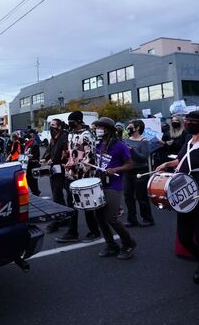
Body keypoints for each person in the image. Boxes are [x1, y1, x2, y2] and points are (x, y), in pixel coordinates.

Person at [156, 110, 199, 297]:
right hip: (185, 195)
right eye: (186, 120)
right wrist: (167, 165)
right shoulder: (188, 140)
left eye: (191, 121)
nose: (187, 123)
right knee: (185, 238)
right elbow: (182, 160)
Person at [91, 117, 137, 260]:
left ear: (108, 129)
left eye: (100, 127)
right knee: (99, 217)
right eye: (96, 127)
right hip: (99, 183)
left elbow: (130, 165)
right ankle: (111, 245)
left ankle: (129, 243)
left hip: (114, 185)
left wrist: (115, 169)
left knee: (111, 217)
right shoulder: (98, 144)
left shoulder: (119, 145)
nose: (97, 129)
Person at [56, 111, 101, 243]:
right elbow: (72, 153)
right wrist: (67, 160)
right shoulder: (71, 134)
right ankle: (72, 232)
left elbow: (90, 157)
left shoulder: (87, 135)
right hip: (71, 175)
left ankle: (94, 231)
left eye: (72, 121)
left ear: (78, 121)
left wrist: (76, 165)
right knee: (71, 205)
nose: (70, 124)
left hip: (85, 176)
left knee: (86, 204)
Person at [123, 119, 155, 227]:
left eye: (130, 126)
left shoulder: (144, 141)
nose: (128, 128)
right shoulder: (126, 139)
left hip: (140, 171)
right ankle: (131, 219)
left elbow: (144, 158)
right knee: (128, 196)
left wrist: (132, 151)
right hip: (128, 171)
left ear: (137, 128)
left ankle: (147, 218)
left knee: (141, 196)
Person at [41, 119, 69, 233]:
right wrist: (44, 158)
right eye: (50, 125)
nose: (51, 127)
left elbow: (61, 151)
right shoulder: (53, 137)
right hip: (55, 169)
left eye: (53, 125)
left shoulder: (65, 136)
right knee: (57, 195)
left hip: (64, 168)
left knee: (62, 194)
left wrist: (53, 159)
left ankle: (60, 219)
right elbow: (49, 150)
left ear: (59, 127)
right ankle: (62, 218)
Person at [24, 130, 42, 196]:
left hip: (33, 164)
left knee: (33, 179)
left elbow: (37, 155)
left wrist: (31, 156)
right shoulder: (28, 144)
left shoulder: (34, 143)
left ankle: (36, 192)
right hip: (28, 164)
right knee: (28, 179)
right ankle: (35, 191)